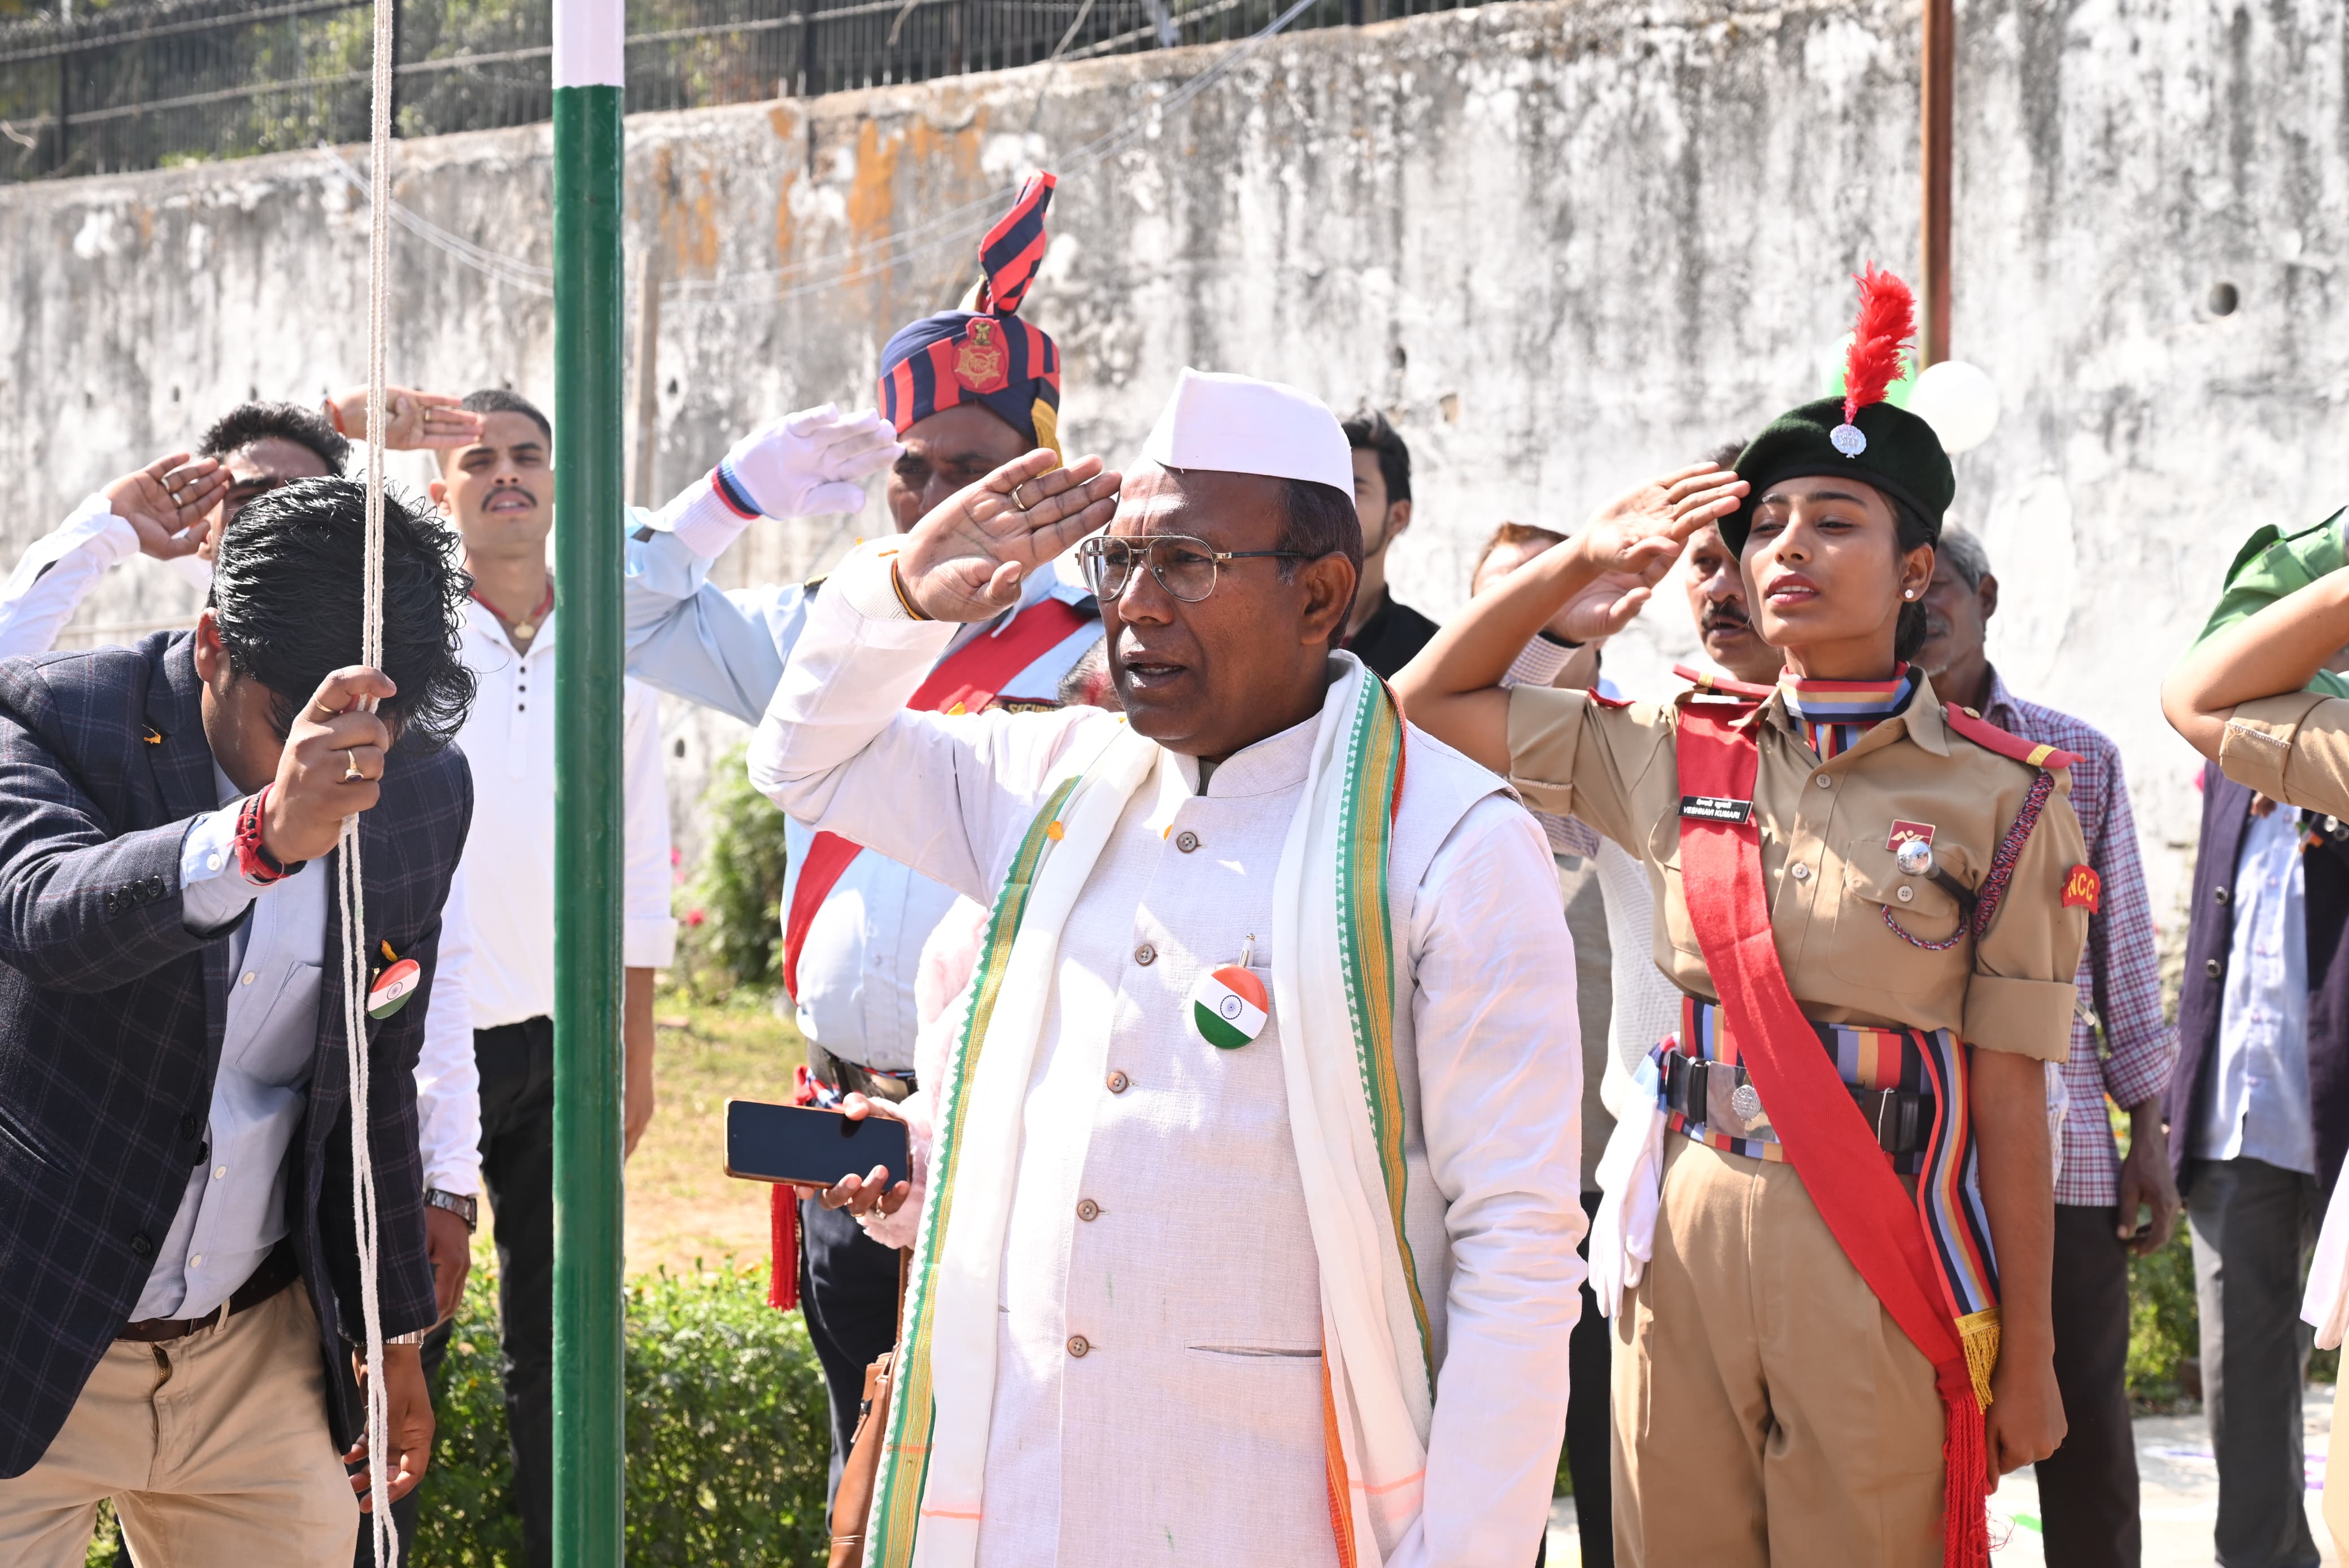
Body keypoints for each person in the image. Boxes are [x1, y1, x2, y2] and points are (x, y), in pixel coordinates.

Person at [772, 368, 1584, 1565]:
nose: (1136, 606)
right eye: (1120, 561)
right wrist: (903, 594)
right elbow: (808, 760)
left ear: (1320, 594)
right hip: (1021, 1500)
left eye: (1190, 564)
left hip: (1279, 1516)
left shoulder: (1449, 843)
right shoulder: (1049, 779)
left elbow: (1515, 1242)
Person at [1395, 267, 2084, 1566]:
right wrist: (1582, 564)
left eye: (1833, 521)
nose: (1787, 551)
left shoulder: (2001, 798)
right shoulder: (1667, 746)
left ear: (1916, 569)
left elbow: (2010, 1095)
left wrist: (2031, 1352)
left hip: (1881, 1230)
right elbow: (1428, 706)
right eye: (1765, 525)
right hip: (1685, 1224)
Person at [617, 172, 1106, 1507]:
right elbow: (617, 606)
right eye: (916, 469)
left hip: (1018, 1123)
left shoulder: (1112, 647)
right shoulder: (810, 636)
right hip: (843, 1127)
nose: (940, 497)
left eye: (977, 467)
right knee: (862, 1470)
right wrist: (734, 490)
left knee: (1023, 1480)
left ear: (1041, 472)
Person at [0, 475, 477, 1567]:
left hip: (256, 1354)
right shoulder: (49, 716)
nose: (351, 761)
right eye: (298, 723)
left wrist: (393, 1332)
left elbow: (378, 1068)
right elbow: (49, 916)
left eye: (385, 727)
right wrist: (260, 834)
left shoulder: (422, 788)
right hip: (33, 1321)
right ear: (213, 646)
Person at [1911, 523, 2178, 1566]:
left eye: (1944, 594)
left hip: (2059, 1161)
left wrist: (2145, 1132)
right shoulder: (1865, 756)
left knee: (2083, 1429)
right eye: (1910, 592)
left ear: (1987, 595)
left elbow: (2121, 964)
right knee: (1914, 1431)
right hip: (1910, 1158)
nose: (1924, 613)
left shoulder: (2077, 760)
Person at [2157, 549, 2349, 1568]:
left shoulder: (2333, 745)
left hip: (2337, 1112)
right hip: (2238, 1114)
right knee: (2243, 1389)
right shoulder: (2238, 756)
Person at [1337, 407, 1440, 676]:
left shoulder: (1429, 652)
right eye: (1327, 489)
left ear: (1398, 516)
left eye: (1353, 490)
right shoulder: (1267, 632)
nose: (1332, 505)